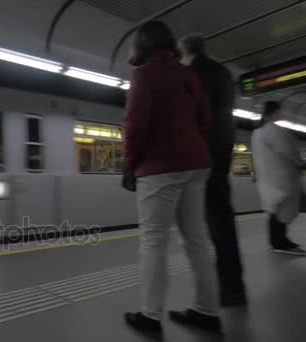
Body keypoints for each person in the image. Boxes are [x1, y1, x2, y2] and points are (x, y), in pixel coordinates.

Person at [122, 21, 221, 339]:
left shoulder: (144, 74)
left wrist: (130, 163)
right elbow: (206, 118)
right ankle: (207, 311)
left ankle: (151, 317)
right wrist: (188, 144)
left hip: (159, 167)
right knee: (197, 241)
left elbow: (135, 125)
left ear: (141, 46)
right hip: (196, 164)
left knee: (154, 243)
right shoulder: (187, 73)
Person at [180, 34, 247, 306]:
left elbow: (190, 115)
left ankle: (219, 292)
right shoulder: (223, 72)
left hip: (202, 152)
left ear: (186, 52)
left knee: (205, 225)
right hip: (222, 149)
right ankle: (232, 286)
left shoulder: (192, 73)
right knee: (222, 220)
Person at [251, 101, 306, 256]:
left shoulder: (257, 132)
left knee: (276, 212)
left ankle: (279, 241)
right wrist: (301, 163)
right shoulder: (273, 130)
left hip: (269, 180)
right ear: (275, 112)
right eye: (280, 111)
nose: (281, 114)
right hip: (281, 179)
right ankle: (280, 243)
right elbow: (289, 151)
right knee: (281, 211)